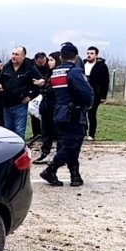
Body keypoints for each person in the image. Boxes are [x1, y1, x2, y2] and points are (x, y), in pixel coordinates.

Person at [40, 43, 93, 187]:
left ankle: (75, 176)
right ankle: (51, 169)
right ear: (75, 56)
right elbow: (86, 93)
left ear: (61, 56)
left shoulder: (56, 72)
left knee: (71, 144)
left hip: (60, 112)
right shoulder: (75, 72)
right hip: (74, 113)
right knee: (71, 145)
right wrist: (87, 104)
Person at [0, 46, 45, 140]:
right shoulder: (7, 67)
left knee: (19, 131)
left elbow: (40, 82)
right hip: (7, 104)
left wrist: (30, 96)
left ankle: (20, 151)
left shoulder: (29, 68)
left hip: (20, 104)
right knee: (8, 131)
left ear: (23, 56)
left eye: (17, 54)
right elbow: (0, 81)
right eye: (13, 54)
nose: (13, 56)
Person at [33, 52, 60, 165]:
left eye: (52, 60)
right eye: (49, 60)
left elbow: (54, 90)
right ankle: (45, 152)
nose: (49, 62)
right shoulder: (48, 73)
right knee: (45, 131)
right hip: (46, 106)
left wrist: (43, 85)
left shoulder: (58, 74)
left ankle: (58, 155)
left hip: (55, 106)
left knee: (57, 131)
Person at [84, 46, 110, 141]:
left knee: (91, 113)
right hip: (82, 92)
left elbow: (105, 82)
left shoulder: (101, 66)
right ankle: (83, 132)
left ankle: (91, 134)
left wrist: (103, 96)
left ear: (96, 55)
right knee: (82, 113)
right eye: (88, 53)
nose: (89, 55)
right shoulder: (82, 64)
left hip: (95, 93)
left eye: (91, 53)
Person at [28, 52, 51, 142]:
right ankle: (36, 132)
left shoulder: (48, 67)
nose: (42, 63)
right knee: (34, 114)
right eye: (40, 61)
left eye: (43, 61)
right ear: (36, 60)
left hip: (45, 91)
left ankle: (45, 132)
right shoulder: (32, 67)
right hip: (34, 92)